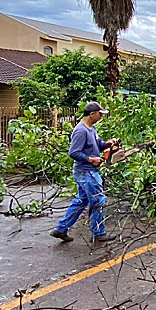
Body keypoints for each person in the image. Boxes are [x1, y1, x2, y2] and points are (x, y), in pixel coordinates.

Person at [51, 101, 119, 243]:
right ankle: (99, 232)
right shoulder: (81, 130)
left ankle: (61, 229)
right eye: (100, 114)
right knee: (98, 200)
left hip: (87, 171)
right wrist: (90, 159)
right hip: (86, 171)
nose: (101, 117)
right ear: (92, 114)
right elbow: (74, 152)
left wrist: (107, 144)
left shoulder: (91, 129)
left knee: (81, 201)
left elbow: (97, 145)